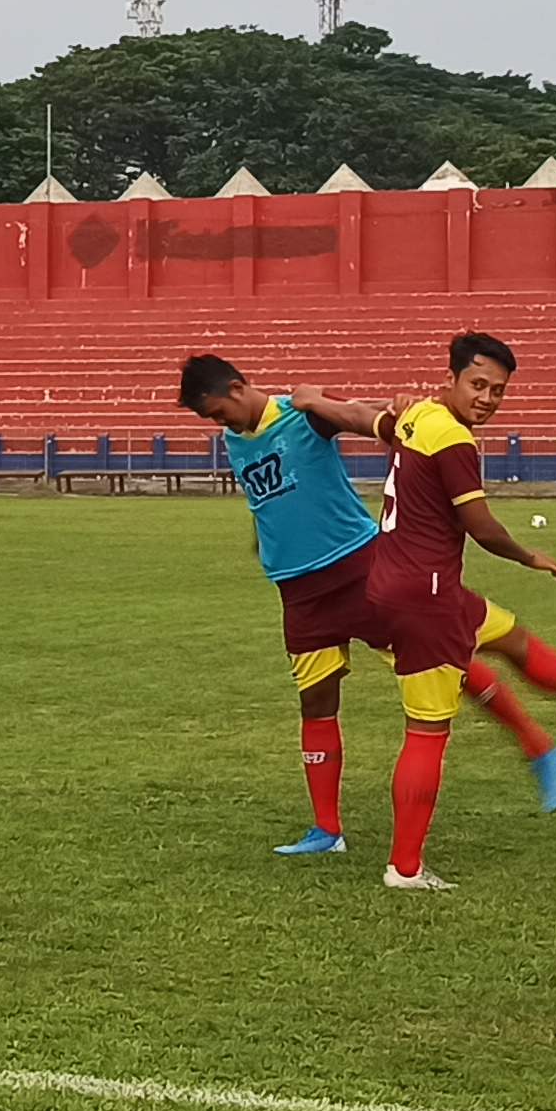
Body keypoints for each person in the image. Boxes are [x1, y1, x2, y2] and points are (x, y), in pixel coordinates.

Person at [293, 333, 556, 891]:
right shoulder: (454, 439)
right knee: (427, 730)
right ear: (453, 378)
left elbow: (371, 419)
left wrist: (312, 400)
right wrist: (528, 554)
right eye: (479, 384)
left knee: (512, 639)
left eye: (498, 390)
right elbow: (481, 526)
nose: (488, 398)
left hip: (405, 586)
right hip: (427, 599)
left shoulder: (418, 415)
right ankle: (406, 867)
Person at [179, 352, 409, 858]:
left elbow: (362, 420)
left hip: (359, 569)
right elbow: (267, 495)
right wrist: (264, 535)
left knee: (436, 665)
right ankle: (327, 831)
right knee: (316, 701)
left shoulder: (302, 413)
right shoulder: (235, 440)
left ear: (238, 388)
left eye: (219, 412)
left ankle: (533, 740)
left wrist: (394, 414)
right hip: (299, 592)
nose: (220, 424)